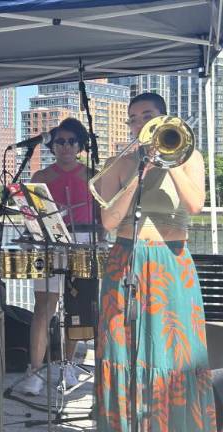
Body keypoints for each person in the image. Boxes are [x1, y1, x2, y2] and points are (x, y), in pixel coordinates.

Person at [95, 92, 216, 430]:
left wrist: (170, 160)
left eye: (146, 115)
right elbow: (108, 221)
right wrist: (141, 170)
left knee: (173, 354)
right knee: (124, 350)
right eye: (133, 118)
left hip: (171, 263)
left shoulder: (190, 157)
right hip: (126, 258)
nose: (139, 123)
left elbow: (194, 205)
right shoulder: (118, 162)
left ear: (164, 119)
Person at [16, 118, 98, 395]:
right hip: (49, 243)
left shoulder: (92, 175)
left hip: (83, 242)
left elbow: (102, 215)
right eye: (60, 141)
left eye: (71, 141)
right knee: (44, 307)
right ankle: (35, 369)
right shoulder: (40, 177)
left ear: (80, 145)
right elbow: (31, 215)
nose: (65, 146)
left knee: (76, 308)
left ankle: (68, 364)